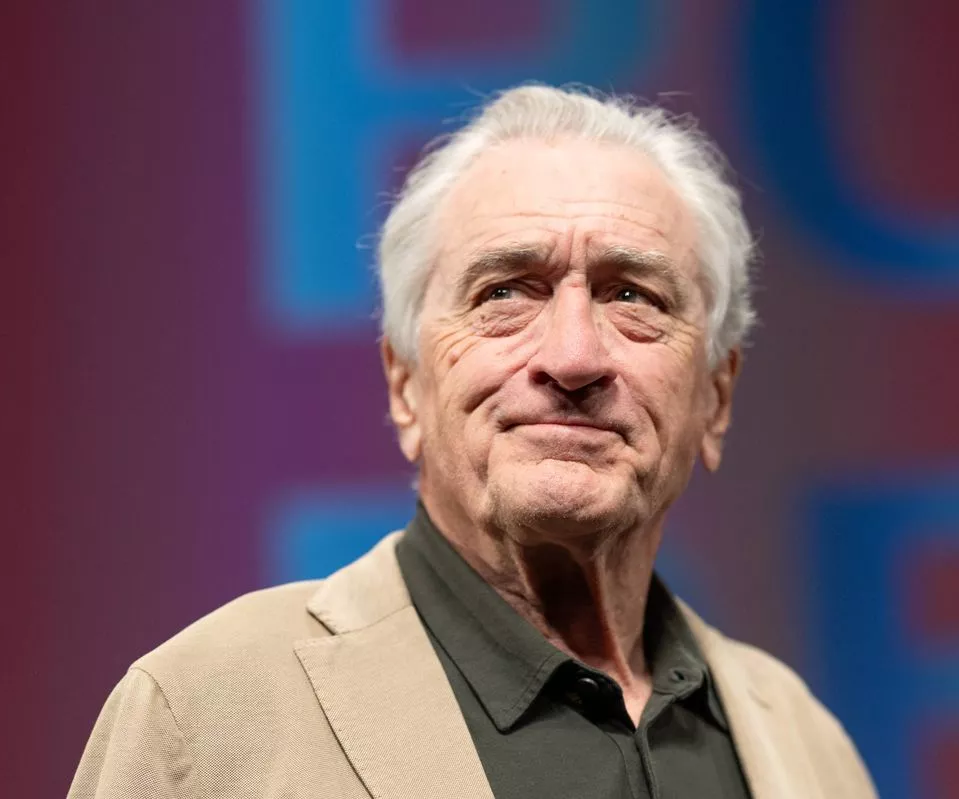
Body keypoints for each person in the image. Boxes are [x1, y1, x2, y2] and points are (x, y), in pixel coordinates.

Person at [68, 84, 877, 798]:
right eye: (504, 292)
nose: (572, 356)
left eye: (632, 295)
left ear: (717, 396)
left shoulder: (810, 750)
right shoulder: (206, 719)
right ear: (405, 385)